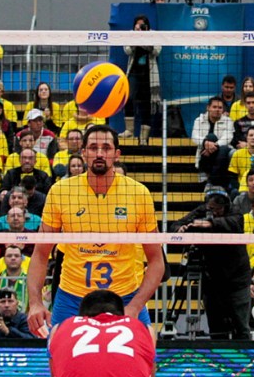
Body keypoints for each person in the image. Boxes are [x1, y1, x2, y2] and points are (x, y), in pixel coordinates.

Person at [25, 125, 164, 338]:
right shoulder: (61, 191)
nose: (99, 153)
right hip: (72, 297)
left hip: (124, 297)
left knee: (147, 354)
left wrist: (135, 307)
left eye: (106, 148)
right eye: (93, 147)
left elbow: (156, 261)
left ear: (117, 154)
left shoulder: (138, 193)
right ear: (83, 153)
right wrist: (34, 303)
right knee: (58, 356)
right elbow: (40, 254)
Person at [170, 190, 248, 338]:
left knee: (240, 324)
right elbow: (177, 224)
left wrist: (210, 223)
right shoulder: (203, 210)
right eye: (210, 209)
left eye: (216, 210)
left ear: (225, 207)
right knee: (215, 324)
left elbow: (234, 223)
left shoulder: (235, 213)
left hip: (236, 279)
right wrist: (181, 228)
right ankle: (217, 354)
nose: (212, 212)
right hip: (211, 277)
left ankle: (244, 354)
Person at [122, 14, 162, 145]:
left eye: (142, 25)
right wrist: (136, 37)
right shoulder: (131, 34)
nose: (140, 27)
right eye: (137, 25)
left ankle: (144, 137)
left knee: (147, 105)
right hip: (134, 72)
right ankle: (129, 130)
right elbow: (127, 50)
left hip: (149, 75)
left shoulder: (153, 34)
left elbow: (156, 51)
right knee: (128, 97)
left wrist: (144, 38)